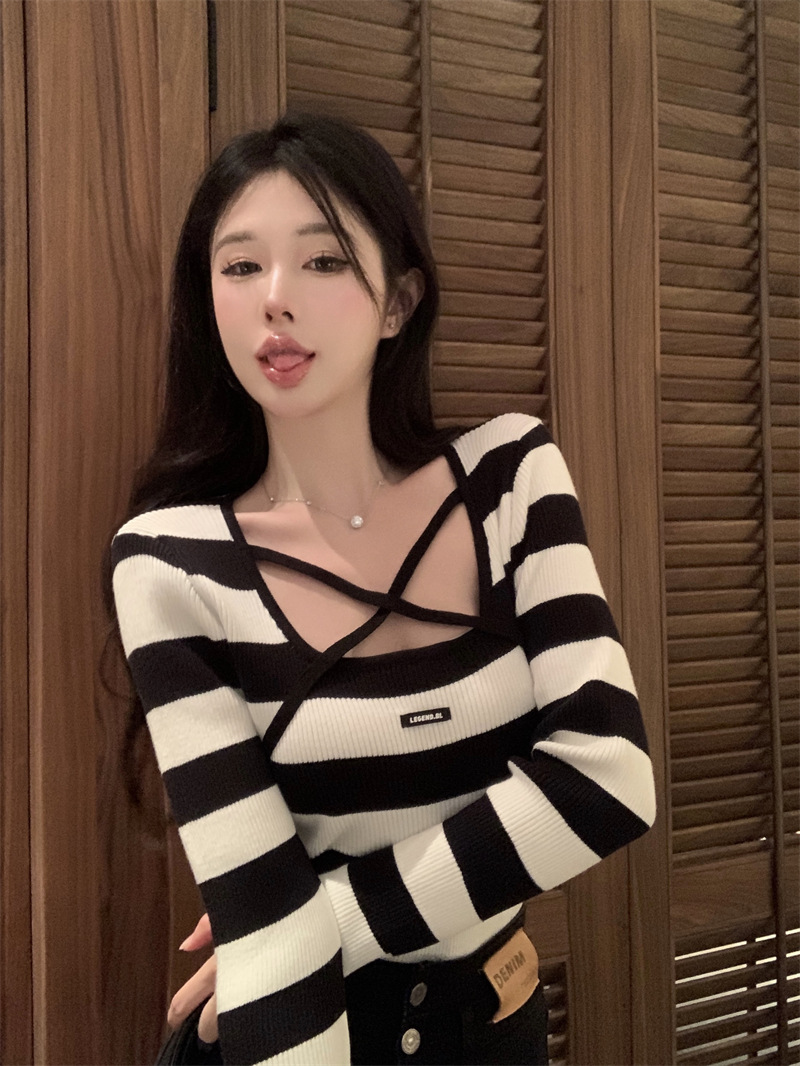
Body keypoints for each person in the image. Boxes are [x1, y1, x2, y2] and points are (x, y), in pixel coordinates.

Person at [104, 112, 656, 1066]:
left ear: (398, 302)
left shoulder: (510, 478)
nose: (276, 299)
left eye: (322, 261)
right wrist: (284, 941)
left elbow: (608, 778)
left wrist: (323, 920)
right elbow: (268, 938)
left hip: (495, 1024)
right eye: (241, 266)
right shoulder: (170, 561)